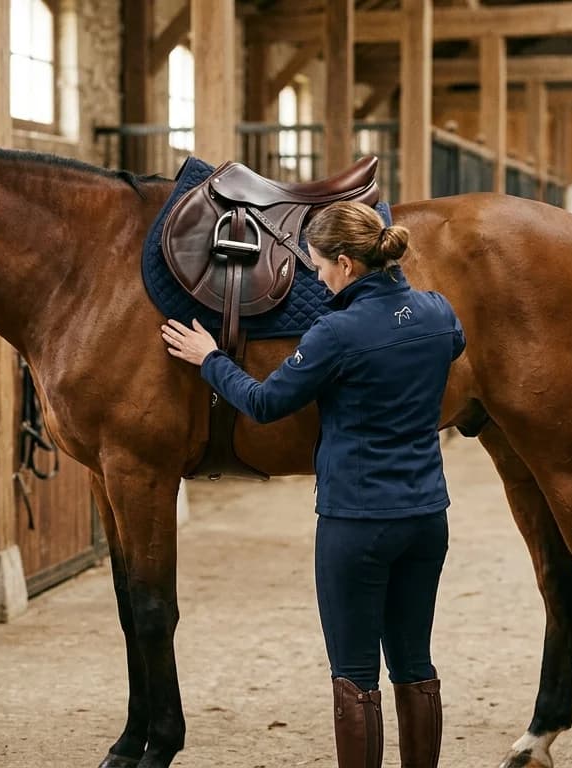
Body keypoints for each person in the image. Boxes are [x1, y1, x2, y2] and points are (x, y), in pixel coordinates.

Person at [161, 201, 465, 768]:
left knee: (354, 674)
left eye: (320, 265)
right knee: (415, 665)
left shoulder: (336, 332)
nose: (318, 278)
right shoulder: (438, 311)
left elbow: (264, 403)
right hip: (427, 517)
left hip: (357, 523)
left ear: (346, 264)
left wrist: (210, 360)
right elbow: (455, 346)